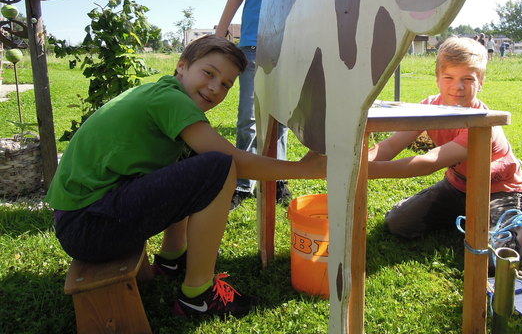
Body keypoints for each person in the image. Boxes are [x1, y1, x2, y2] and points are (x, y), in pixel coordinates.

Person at [45, 35, 325, 319]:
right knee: (218, 166)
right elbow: (235, 162)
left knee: (198, 158)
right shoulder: (169, 100)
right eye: (209, 73)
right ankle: (197, 296)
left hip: (84, 219)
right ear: (181, 67)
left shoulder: (164, 93)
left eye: (226, 84)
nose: (215, 87)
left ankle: (172, 259)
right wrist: (304, 169)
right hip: (87, 227)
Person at [368, 37, 522, 270]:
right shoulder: (428, 107)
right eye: (449, 77)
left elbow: (429, 162)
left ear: (481, 81)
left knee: (492, 261)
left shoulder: (482, 124)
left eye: (467, 79)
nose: (457, 87)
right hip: (457, 185)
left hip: (497, 191)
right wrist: (357, 163)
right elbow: (391, 146)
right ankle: (466, 216)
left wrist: (369, 171)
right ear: (437, 79)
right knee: (398, 223)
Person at [215, 0, 311, 209]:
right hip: (254, 48)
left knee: (280, 118)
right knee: (249, 118)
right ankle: (244, 183)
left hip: (288, 51)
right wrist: (220, 30)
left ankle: (277, 180)